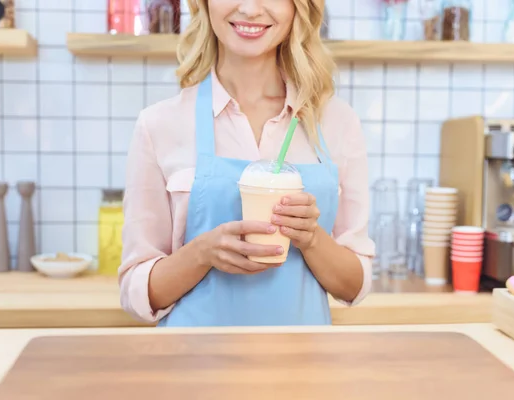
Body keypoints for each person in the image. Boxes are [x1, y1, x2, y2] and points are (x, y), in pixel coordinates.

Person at [119, 0, 375, 327]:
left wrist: (311, 239)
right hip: (193, 370)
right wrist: (201, 254)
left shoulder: (337, 122)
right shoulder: (159, 125)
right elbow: (136, 292)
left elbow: (355, 287)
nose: (251, 9)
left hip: (303, 372)